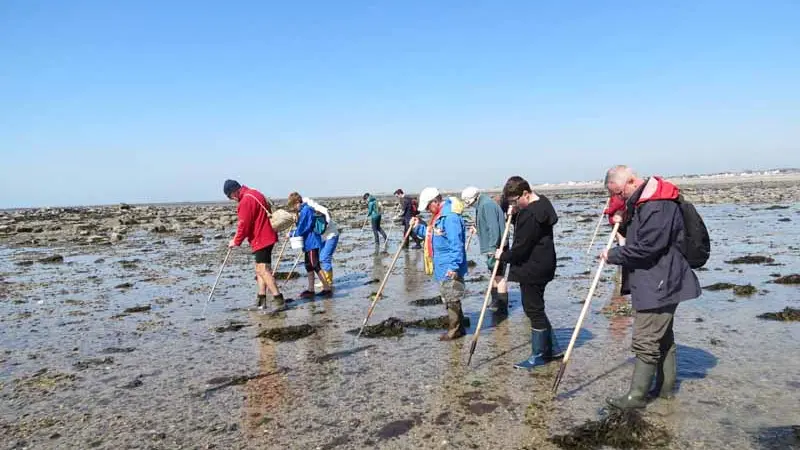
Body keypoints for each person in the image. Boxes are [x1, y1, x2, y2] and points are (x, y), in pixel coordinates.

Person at [600, 165, 701, 409]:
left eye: (620, 194)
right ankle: (665, 391)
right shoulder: (644, 202)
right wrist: (622, 222)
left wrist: (613, 255)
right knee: (663, 338)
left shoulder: (658, 204)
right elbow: (640, 236)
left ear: (632, 181)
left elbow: (649, 246)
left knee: (645, 338)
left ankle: (636, 397)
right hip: (658, 278)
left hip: (661, 281)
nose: (619, 199)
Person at [494, 176, 563, 370]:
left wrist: (503, 255)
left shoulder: (530, 215)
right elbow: (530, 233)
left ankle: (539, 355)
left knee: (532, 309)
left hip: (532, 267)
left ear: (525, 193)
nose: (514, 205)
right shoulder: (543, 204)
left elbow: (522, 248)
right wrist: (514, 213)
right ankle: (553, 348)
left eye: (515, 201)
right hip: (545, 263)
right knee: (537, 307)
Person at [409, 187, 468, 340]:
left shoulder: (450, 218)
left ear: (435, 201)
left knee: (451, 298)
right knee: (449, 296)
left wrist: (454, 266)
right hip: (442, 264)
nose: (428, 210)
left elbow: (457, 244)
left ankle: (454, 330)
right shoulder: (438, 217)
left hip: (449, 265)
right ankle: (459, 327)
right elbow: (431, 235)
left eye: (428, 206)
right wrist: (417, 227)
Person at [223, 179, 286, 308]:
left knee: (263, 270)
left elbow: (244, 225)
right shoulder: (255, 193)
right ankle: (261, 299)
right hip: (266, 236)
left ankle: (279, 300)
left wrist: (235, 241)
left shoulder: (245, 201)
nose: (233, 200)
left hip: (262, 238)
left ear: (233, 193)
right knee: (259, 269)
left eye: (230, 197)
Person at [461, 186, 509, 315]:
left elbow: (494, 229)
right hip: (491, 247)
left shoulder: (486, 205)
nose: (470, 206)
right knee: (493, 275)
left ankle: (502, 308)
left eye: (470, 203)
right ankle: (495, 302)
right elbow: (486, 224)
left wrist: (493, 248)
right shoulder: (482, 204)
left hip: (497, 247)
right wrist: (477, 228)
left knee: (499, 277)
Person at [287, 193, 333, 299]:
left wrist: (291, 234)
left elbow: (303, 227)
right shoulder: (303, 211)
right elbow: (302, 225)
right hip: (307, 243)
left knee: (315, 264)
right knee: (308, 265)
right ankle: (311, 289)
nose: (294, 208)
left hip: (312, 242)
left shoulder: (306, 210)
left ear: (297, 202)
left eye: (294, 206)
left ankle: (327, 288)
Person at [302, 195, 339, 290]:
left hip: (331, 236)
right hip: (321, 238)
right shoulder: (308, 212)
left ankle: (328, 281)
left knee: (324, 257)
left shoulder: (320, 210)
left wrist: (315, 228)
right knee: (320, 258)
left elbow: (326, 222)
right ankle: (325, 279)